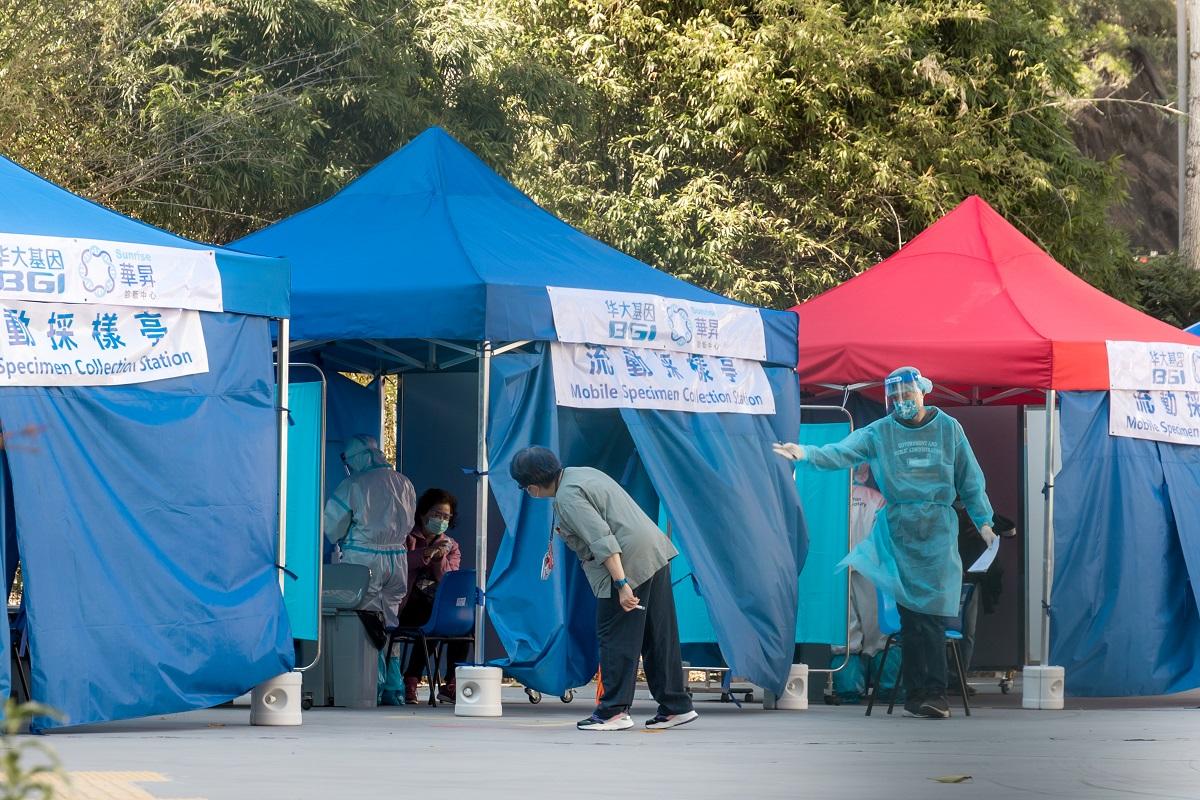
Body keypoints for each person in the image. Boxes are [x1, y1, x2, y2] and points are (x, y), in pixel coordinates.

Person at [773, 366, 995, 719]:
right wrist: (806, 453)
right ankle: (918, 694)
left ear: (922, 392)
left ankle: (934, 693)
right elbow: (842, 452)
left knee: (932, 617)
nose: (902, 401)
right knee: (911, 617)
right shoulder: (880, 432)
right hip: (899, 533)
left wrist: (984, 521)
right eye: (896, 397)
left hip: (937, 533)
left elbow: (970, 479)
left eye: (907, 394)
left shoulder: (948, 429)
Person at [509, 446, 697, 732]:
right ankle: (676, 705)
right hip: (652, 552)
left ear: (532, 486)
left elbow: (602, 540)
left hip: (626, 563)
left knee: (615, 637)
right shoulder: (582, 474)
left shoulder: (567, 497)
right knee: (658, 635)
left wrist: (622, 584)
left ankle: (614, 711)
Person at [323, 434, 415, 633]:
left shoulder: (354, 483)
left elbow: (332, 525)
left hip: (363, 559)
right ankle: (390, 654)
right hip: (398, 559)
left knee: (362, 617)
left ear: (357, 458)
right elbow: (409, 520)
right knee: (390, 616)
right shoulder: (404, 482)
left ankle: (366, 655)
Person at [397, 488, 466, 705]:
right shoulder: (404, 537)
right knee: (432, 615)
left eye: (446, 517)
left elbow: (448, 580)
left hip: (435, 607)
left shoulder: (451, 546)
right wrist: (425, 553)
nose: (441, 520)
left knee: (461, 621)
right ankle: (411, 679)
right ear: (423, 513)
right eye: (437, 514)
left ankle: (452, 683)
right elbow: (399, 565)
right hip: (405, 606)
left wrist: (439, 558)